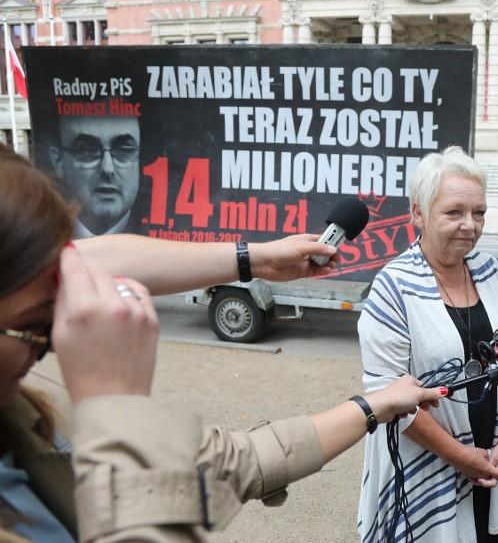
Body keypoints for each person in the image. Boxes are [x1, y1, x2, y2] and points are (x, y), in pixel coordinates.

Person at [0, 148, 447, 541]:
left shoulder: (28, 410)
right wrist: (118, 408)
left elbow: (232, 463)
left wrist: (253, 258)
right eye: (30, 329)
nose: (52, 344)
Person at [356, 146, 498, 543]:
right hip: (427, 468)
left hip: (493, 462)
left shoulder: (494, 272)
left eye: (479, 212)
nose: (470, 225)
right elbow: (387, 398)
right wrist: (463, 457)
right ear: (417, 213)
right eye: (454, 212)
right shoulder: (393, 285)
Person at [48, 113, 142, 238]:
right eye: (88, 151)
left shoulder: (161, 238)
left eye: (123, 150)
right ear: (58, 162)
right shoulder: (43, 234)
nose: (107, 169)